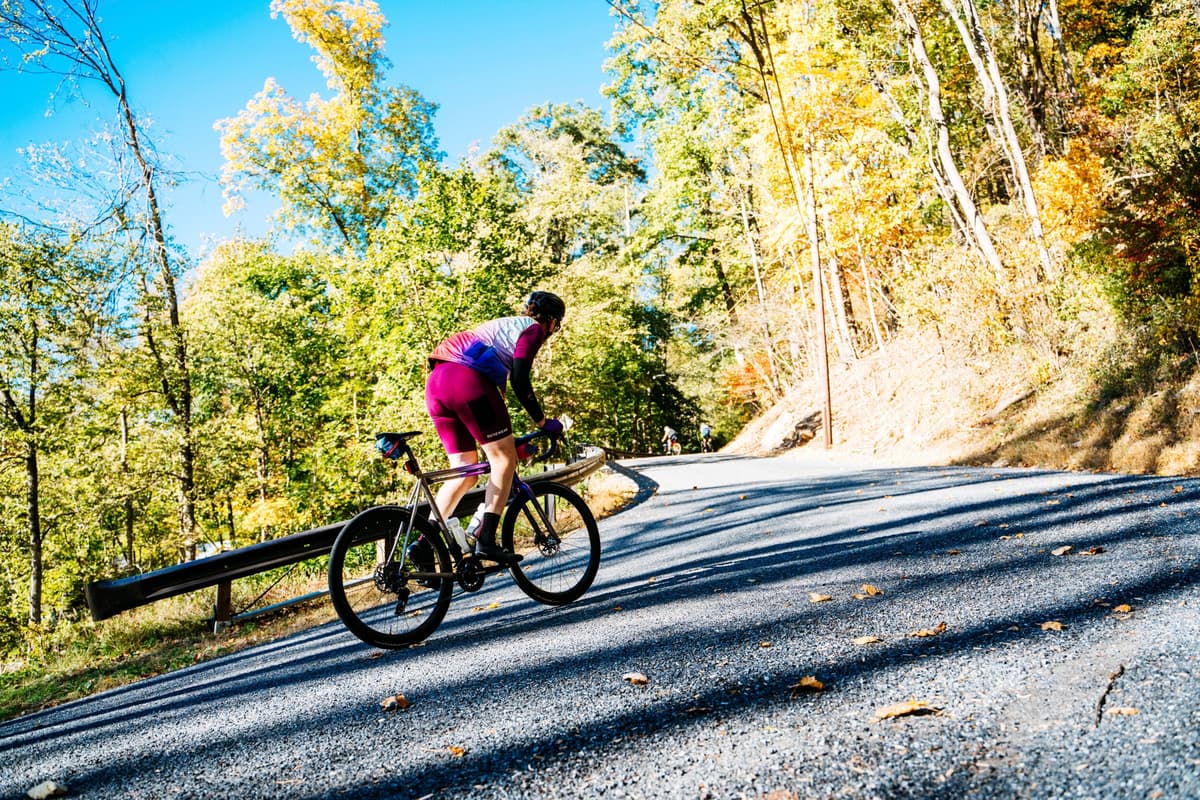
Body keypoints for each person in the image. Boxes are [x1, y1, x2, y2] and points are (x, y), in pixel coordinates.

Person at [422, 291, 566, 564]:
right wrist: (543, 422)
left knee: (464, 470)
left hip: (437, 383)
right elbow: (520, 382)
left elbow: (490, 410)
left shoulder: (503, 326)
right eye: (556, 327)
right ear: (551, 321)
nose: (552, 333)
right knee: (503, 460)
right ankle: (486, 540)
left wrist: (510, 440)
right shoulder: (532, 330)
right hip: (467, 381)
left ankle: (424, 543)